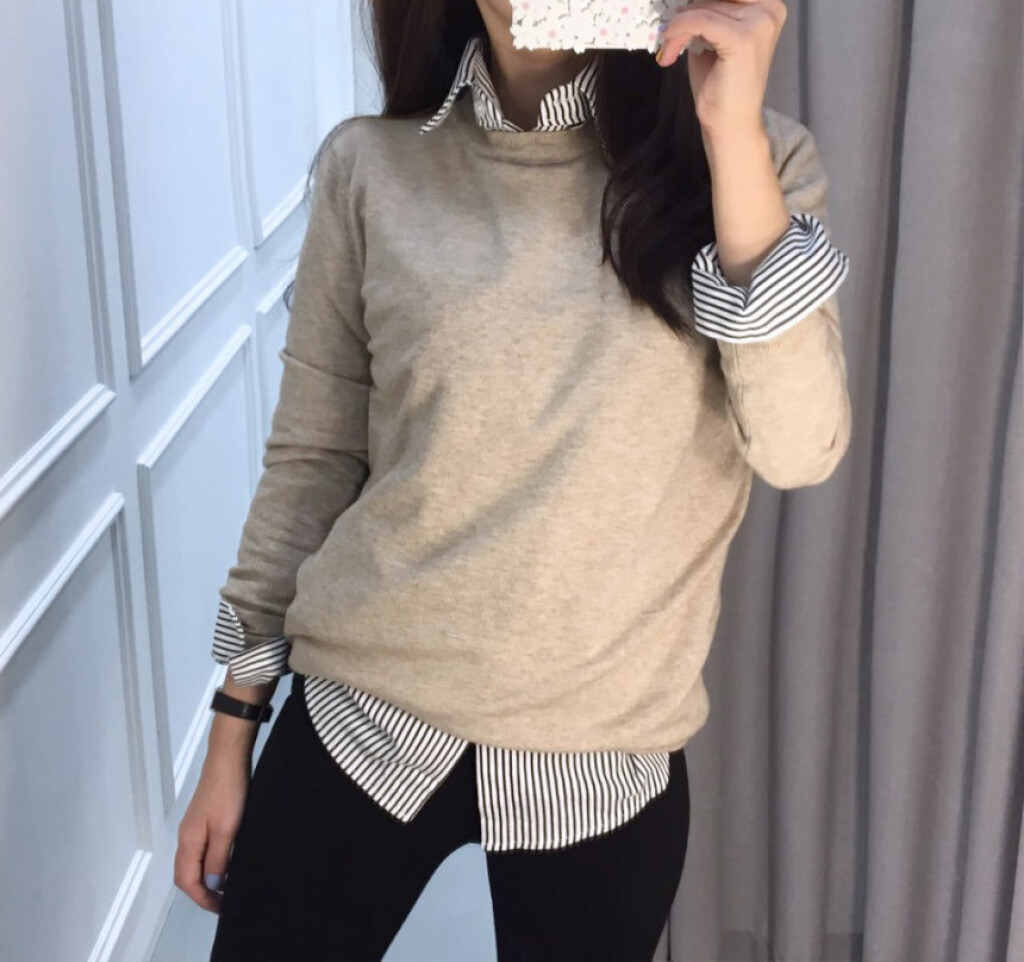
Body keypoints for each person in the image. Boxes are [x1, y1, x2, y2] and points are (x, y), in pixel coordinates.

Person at [175, 1, 852, 959]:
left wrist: (731, 141)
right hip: (359, 716)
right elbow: (312, 460)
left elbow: (800, 448)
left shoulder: (752, 160)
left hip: (603, 760)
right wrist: (232, 731)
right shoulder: (372, 166)